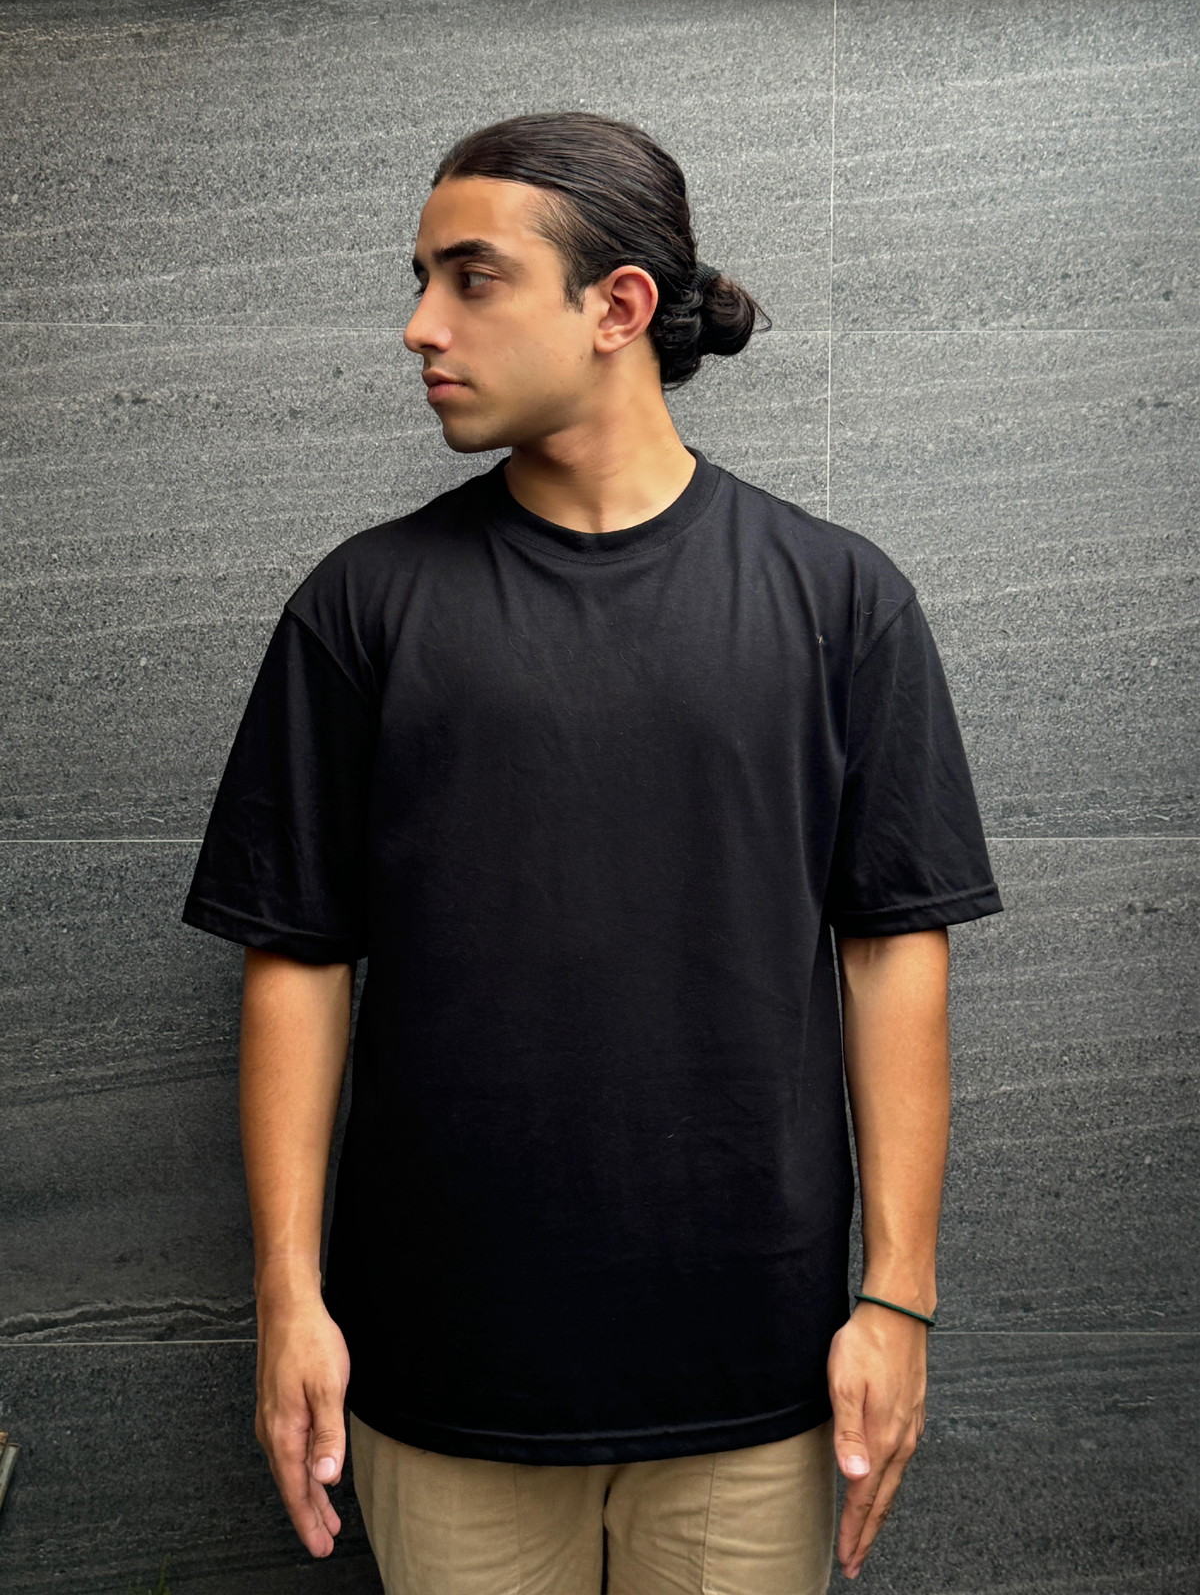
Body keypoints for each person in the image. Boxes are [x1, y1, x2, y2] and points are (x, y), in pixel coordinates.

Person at [182, 111, 1002, 1594]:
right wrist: (288, 1299)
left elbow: (895, 952)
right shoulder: (361, 609)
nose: (420, 325)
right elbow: (295, 958)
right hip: (443, 1375)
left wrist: (897, 1301)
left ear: (617, 305)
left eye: (472, 277)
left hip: (756, 1375)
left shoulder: (840, 601)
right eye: (422, 280)